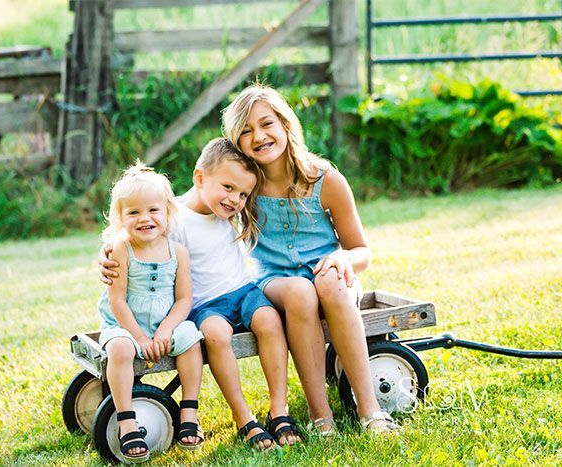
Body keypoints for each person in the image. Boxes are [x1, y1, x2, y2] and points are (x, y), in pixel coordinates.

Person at [100, 138, 303, 450]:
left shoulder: (228, 211)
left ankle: (279, 411)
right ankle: (244, 418)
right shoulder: (172, 217)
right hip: (205, 305)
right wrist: (106, 254)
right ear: (200, 178)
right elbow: (138, 239)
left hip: (243, 291)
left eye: (243, 194)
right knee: (216, 335)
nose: (235, 199)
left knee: (269, 321)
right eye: (228, 188)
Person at [221, 83, 399, 434]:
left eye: (266, 123)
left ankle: (370, 410)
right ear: (237, 143)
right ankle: (322, 416)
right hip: (275, 280)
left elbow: (361, 250)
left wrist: (344, 260)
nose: (258, 135)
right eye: (245, 131)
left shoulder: (325, 179)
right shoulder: (244, 185)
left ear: (286, 124)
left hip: (330, 277)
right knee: (301, 291)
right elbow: (195, 202)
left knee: (328, 282)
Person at [97, 163, 205, 463]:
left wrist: (165, 330)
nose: (145, 218)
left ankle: (189, 411)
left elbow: (184, 300)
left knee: (191, 339)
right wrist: (140, 337)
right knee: (119, 348)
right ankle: (126, 419)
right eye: (133, 213)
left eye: (153, 210)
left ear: (168, 212)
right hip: (125, 325)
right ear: (120, 218)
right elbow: (117, 302)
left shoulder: (177, 252)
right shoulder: (121, 249)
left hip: (164, 324)